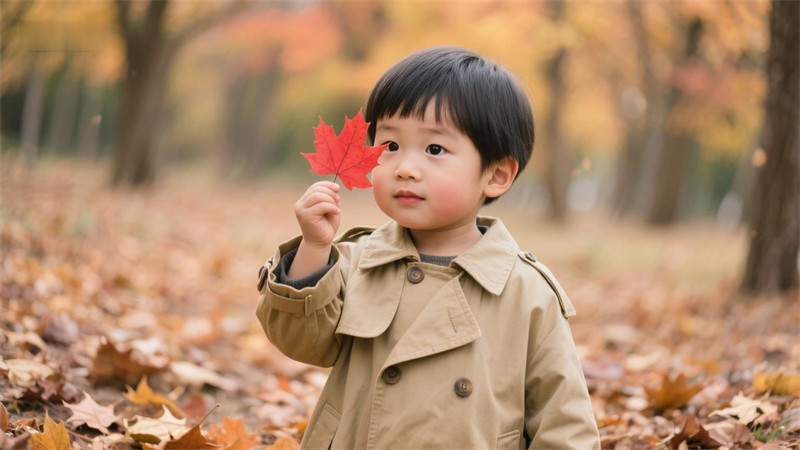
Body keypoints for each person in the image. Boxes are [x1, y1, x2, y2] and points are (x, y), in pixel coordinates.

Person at [256, 46, 600, 450]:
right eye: (390, 147)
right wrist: (314, 250)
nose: (405, 167)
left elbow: (564, 420)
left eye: (435, 150)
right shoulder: (356, 260)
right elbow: (301, 343)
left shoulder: (526, 293)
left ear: (497, 174)